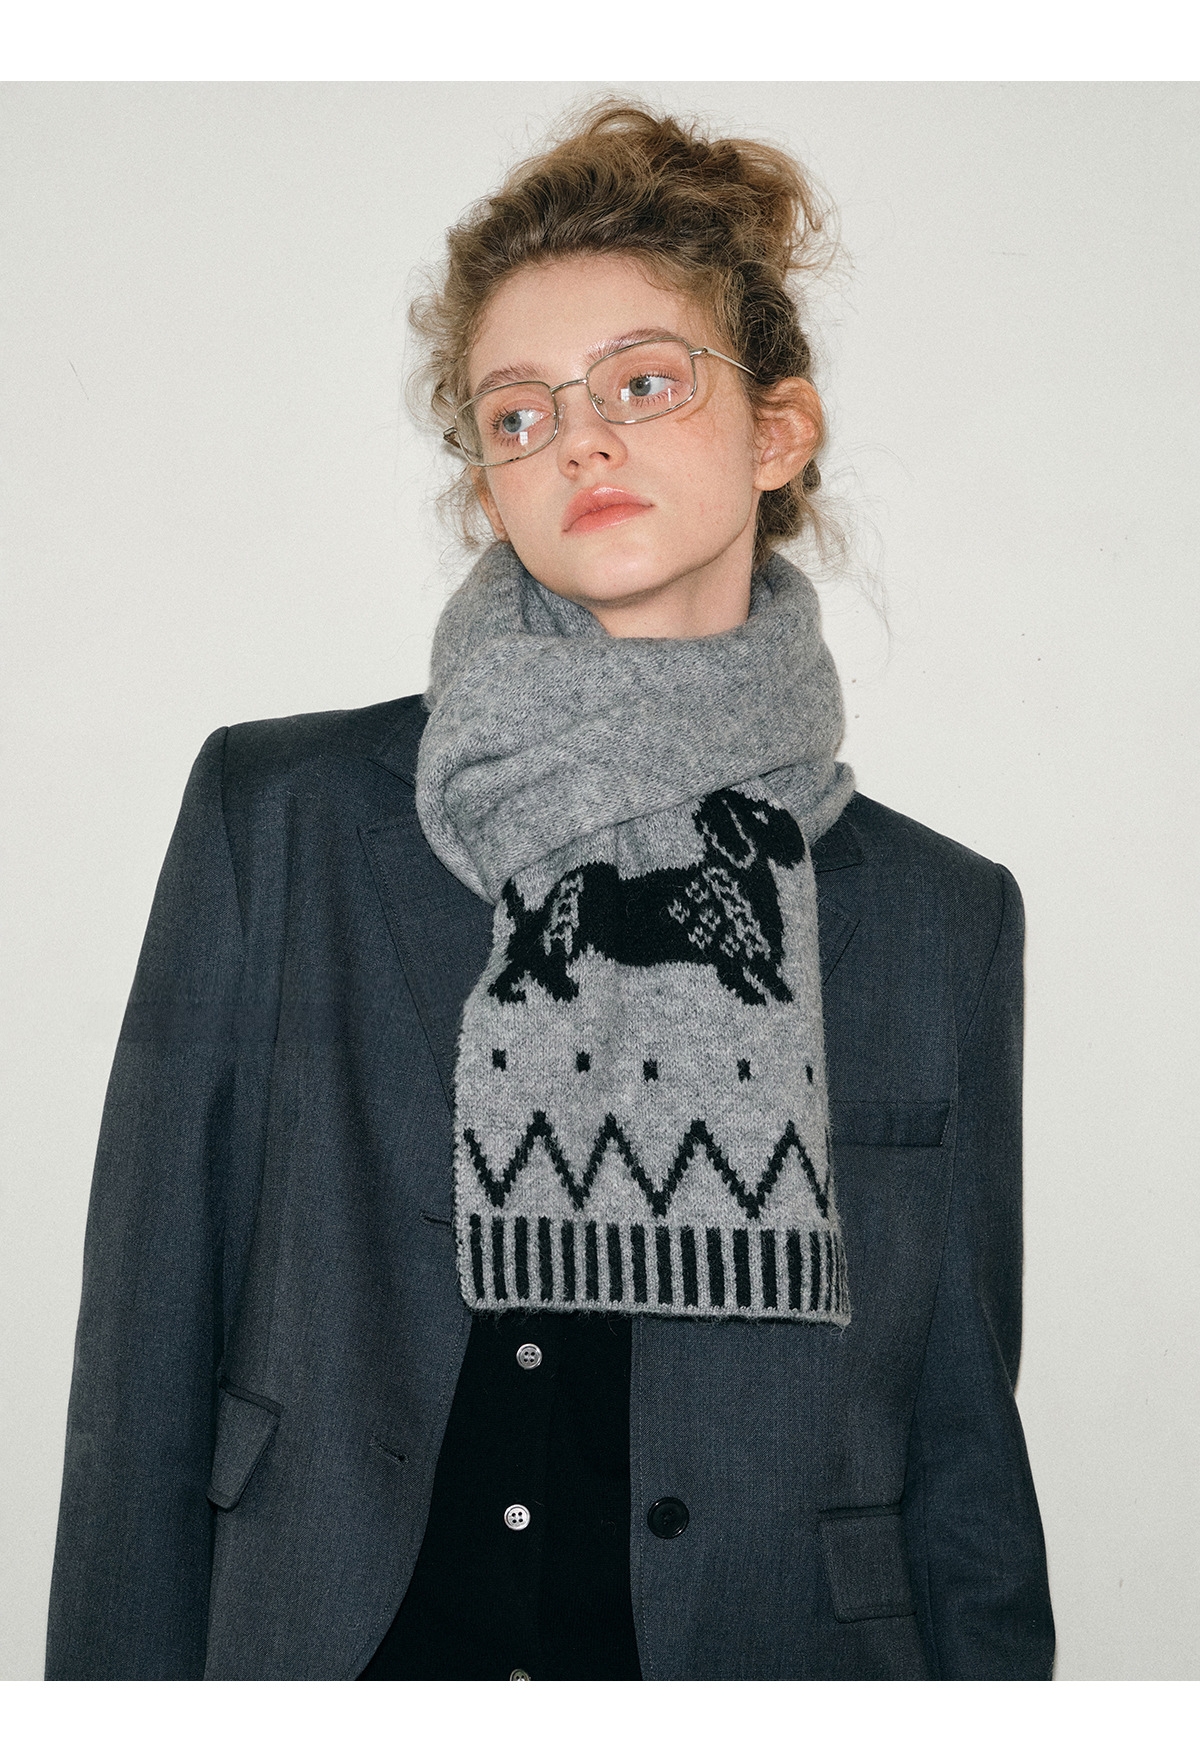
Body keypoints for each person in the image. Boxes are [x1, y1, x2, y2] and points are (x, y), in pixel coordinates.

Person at [45, 101, 1054, 1681]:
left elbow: (962, 1441)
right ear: (489, 484)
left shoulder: (941, 917)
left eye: (644, 383)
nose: (579, 439)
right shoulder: (283, 817)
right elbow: (142, 1359)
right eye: (518, 413)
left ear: (778, 430)